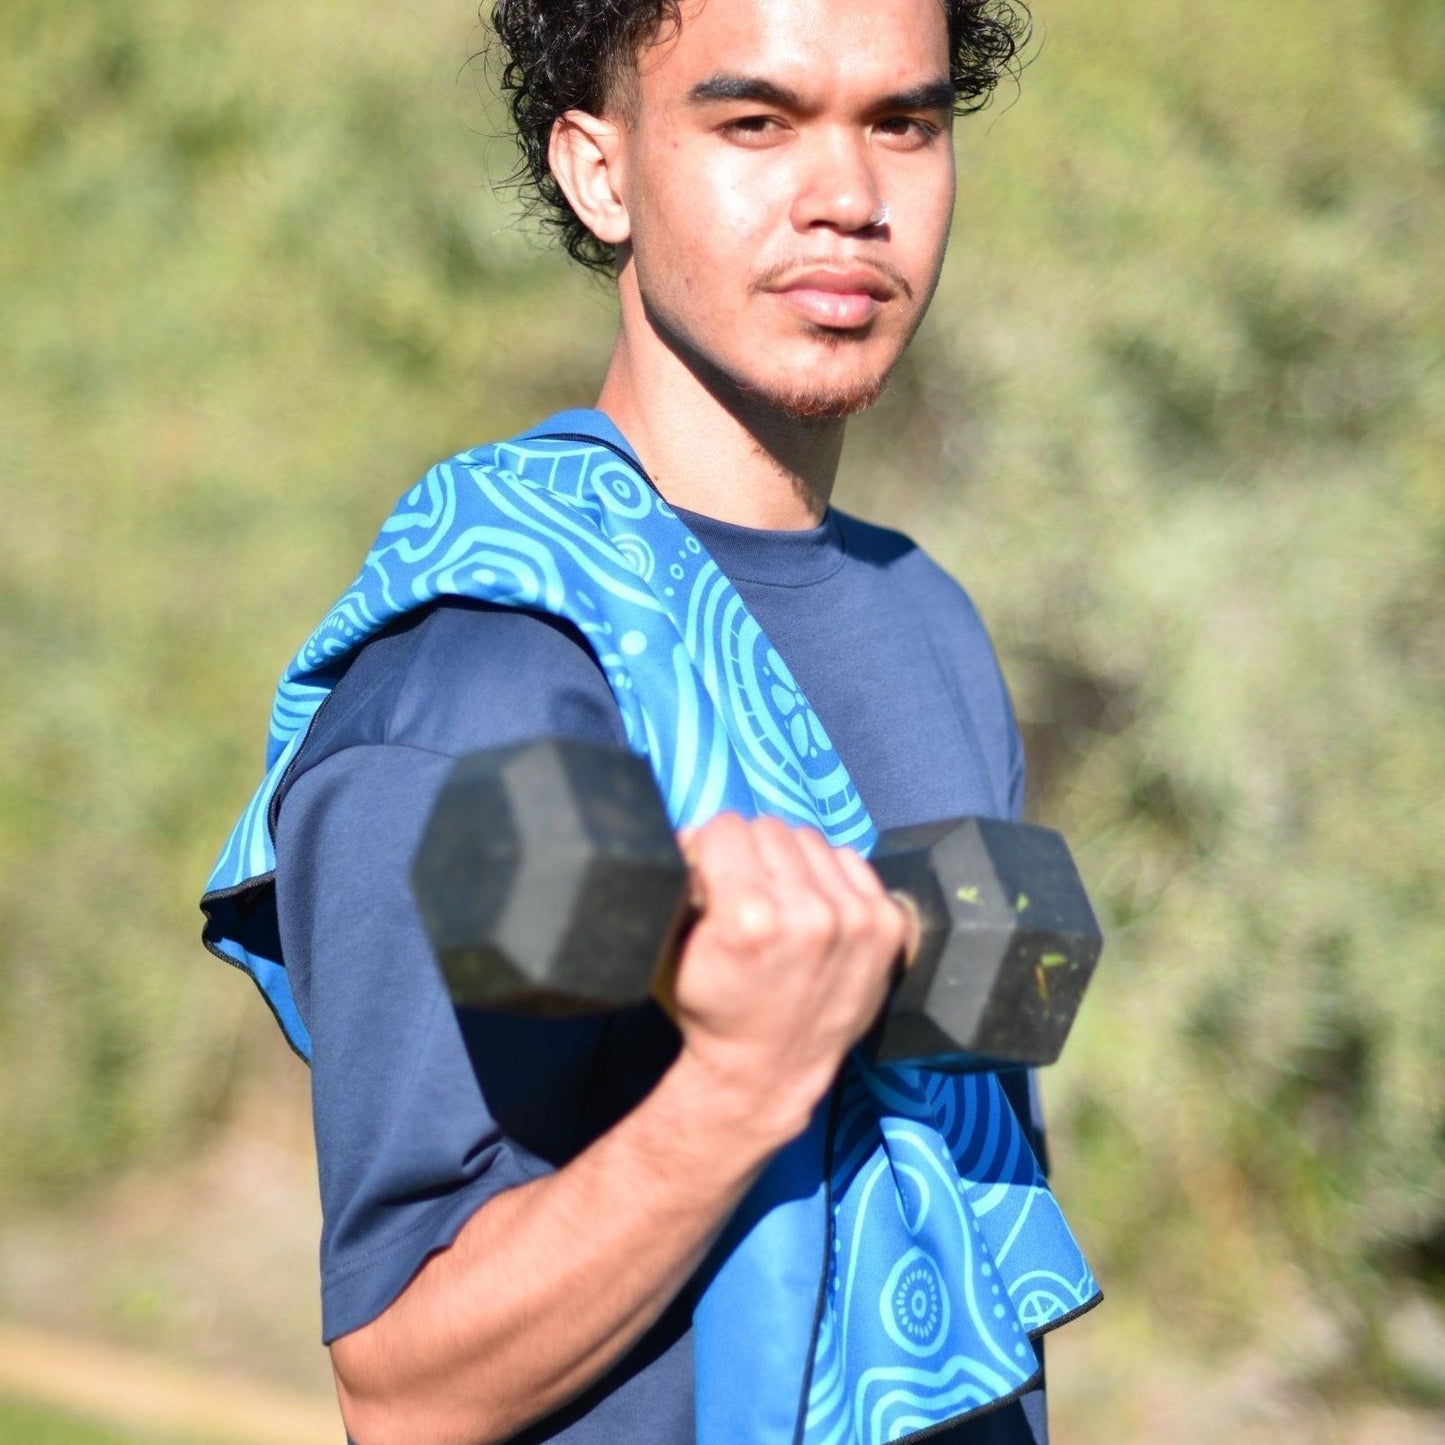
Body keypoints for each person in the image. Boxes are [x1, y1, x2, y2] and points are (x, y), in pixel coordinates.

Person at [201, 1, 1100, 1442]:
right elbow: (405, 1390)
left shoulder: (928, 622)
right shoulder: (475, 682)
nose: (848, 200)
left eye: (903, 124)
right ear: (597, 172)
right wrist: (742, 1080)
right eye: (754, 122)